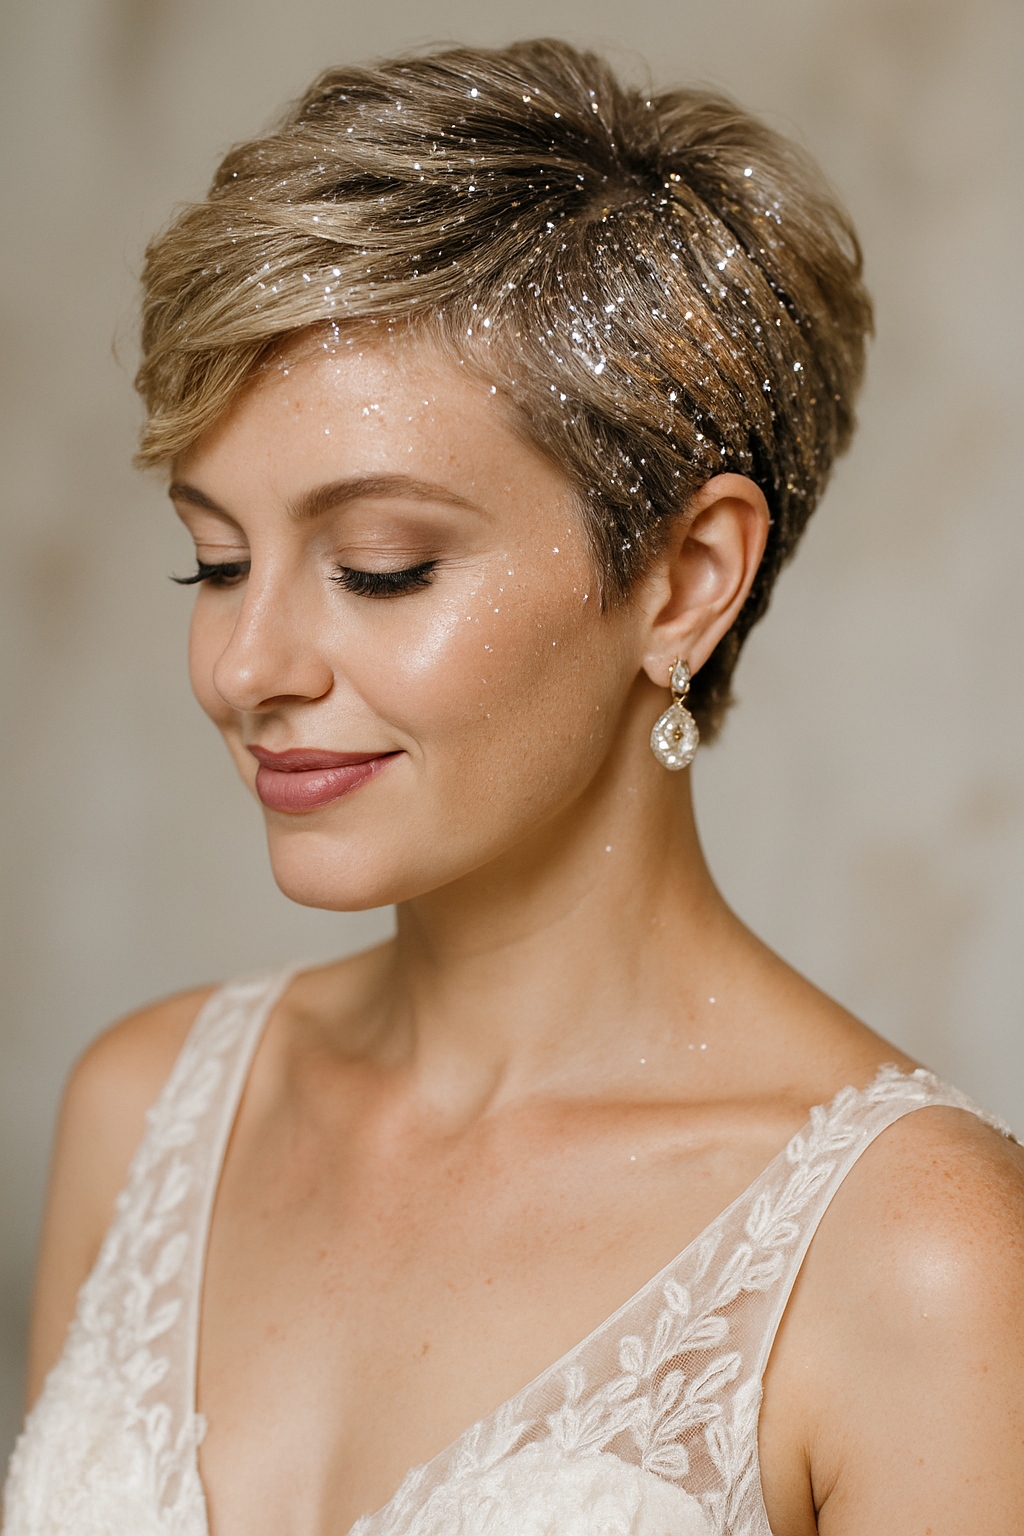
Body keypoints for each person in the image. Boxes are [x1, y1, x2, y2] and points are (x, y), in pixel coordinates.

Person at [4, 37, 1022, 1536]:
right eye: (214, 561)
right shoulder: (144, 1110)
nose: (244, 664)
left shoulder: (922, 1260)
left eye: (380, 567)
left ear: (687, 579)